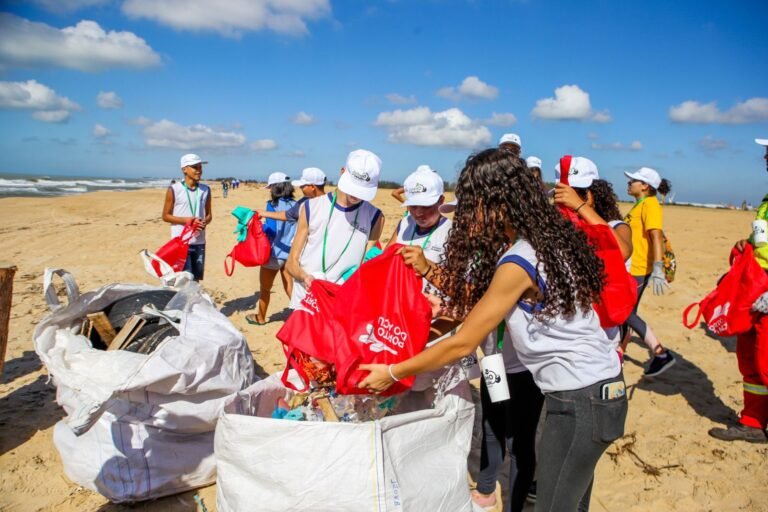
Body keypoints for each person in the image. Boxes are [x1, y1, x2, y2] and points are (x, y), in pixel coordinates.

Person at [360, 148, 627, 512]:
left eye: (472, 209)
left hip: (579, 399)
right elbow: (479, 299)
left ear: (498, 204)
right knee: (569, 498)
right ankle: (491, 488)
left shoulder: (519, 259)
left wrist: (393, 371)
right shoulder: (551, 238)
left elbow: (464, 341)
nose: (468, 220)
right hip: (597, 390)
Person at [709, 138, 768, 443]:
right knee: (751, 358)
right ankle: (753, 422)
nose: (766, 157)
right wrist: (746, 244)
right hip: (756, 286)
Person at [286, 149, 385, 309]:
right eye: (353, 186)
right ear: (342, 172)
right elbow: (291, 263)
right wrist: (304, 277)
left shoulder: (375, 217)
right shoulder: (311, 207)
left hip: (343, 301)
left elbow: (366, 265)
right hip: (307, 299)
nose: (356, 195)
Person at [622, 167, 675, 376]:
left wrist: (658, 267)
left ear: (645, 186)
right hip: (630, 267)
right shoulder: (640, 205)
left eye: (633, 180)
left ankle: (661, 353)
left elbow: (655, 236)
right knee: (625, 313)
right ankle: (619, 353)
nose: (629, 183)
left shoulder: (651, 205)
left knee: (625, 312)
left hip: (638, 268)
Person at [384, 166, 451, 283]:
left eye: (426, 206)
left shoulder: (451, 231)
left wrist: (426, 267)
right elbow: (386, 259)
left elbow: (459, 285)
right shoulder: (405, 223)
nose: (419, 212)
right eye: (413, 205)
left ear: (441, 201)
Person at [245, 172, 296, 325]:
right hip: (291, 253)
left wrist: (258, 227)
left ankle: (260, 317)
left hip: (274, 253)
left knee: (265, 288)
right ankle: (302, 316)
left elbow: (271, 230)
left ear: (275, 188)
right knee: (290, 287)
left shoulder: (271, 205)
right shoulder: (296, 204)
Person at [161, 153, 212, 281]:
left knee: (195, 280)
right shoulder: (174, 189)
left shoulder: (206, 190)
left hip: (199, 242)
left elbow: (209, 215)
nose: (199, 171)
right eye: (195, 167)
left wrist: (204, 222)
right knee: (183, 279)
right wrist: (187, 221)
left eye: (200, 167)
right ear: (184, 169)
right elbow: (165, 216)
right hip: (180, 242)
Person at [258, 167, 327, 224]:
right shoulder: (301, 202)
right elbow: (287, 215)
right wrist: (263, 213)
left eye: (302, 186)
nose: (300, 187)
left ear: (312, 187)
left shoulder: (305, 204)